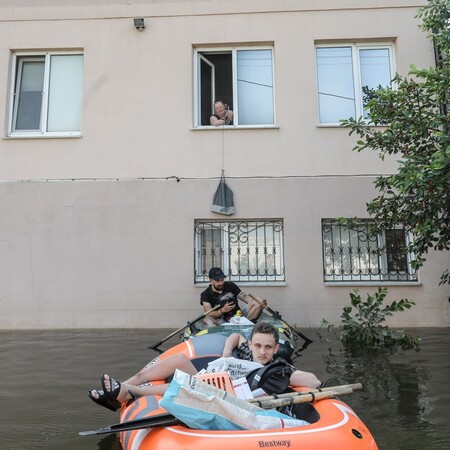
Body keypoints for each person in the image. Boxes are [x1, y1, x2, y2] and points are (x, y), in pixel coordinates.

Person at [88, 321, 321, 411]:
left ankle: (124, 393)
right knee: (178, 361)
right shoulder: (247, 346)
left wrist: (288, 372)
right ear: (251, 343)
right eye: (258, 345)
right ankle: (124, 386)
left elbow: (314, 381)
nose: (262, 352)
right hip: (212, 376)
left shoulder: (277, 365)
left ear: (276, 348)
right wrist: (227, 354)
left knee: (191, 384)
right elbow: (233, 338)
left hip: (223, 395)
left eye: (268, 348)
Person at [200, 267, 266, 326]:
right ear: (210, 280)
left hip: (239, 316)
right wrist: (222, 311)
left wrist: (259, 303)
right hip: (222, 321)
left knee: (259, 300)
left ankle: (246, 324)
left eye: (222, 279)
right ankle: (220, 334)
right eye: (217, 281)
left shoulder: (230, 285)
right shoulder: (206, 294)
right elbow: (209, 314)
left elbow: (246, 298)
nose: (221, 283)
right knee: (207, 320)